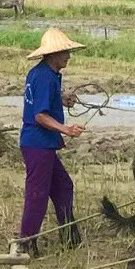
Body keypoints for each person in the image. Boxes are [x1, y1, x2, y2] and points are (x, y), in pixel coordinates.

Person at [18, 28, 85, 255]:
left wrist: (63, 99)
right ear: (53, 54)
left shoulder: (43, 73)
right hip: (38, 143)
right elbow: (39, 115)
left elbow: (41, 101)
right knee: (37, 194)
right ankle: (26, 242)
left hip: (41, 144)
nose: (69, 56)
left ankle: (70, 236)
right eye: (65, 52)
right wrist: (66, 129)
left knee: (64, 186)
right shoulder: (46, 77)